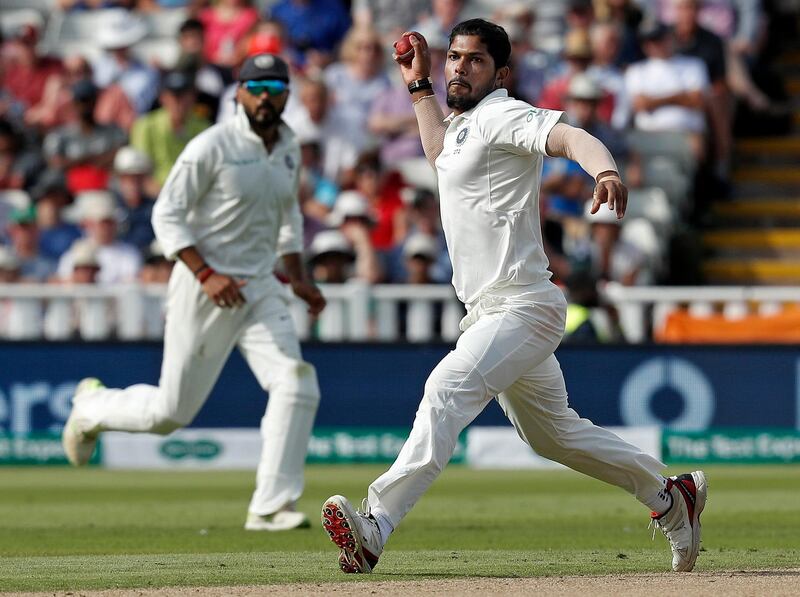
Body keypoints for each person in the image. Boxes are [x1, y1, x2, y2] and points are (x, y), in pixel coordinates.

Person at [321, 19, 707, 575]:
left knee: (446, 388)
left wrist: (604, 169)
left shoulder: (503, 114)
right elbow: (438, 156)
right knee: (555, 436)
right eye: (454, 56)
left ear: (500, 73)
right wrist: (418, 85)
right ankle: (672, 498)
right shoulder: (461, 127)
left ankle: (375, 524)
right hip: (489, 313)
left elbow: (570, 135)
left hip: (523, 306)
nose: (458, 66)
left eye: (474, 60)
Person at [62, 54, 326, 532]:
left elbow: (288, 217)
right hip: (206, 289)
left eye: (275, 85)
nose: (265, 94)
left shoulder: (288, 146)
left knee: (297, 383)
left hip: (261, 286)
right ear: (238, 93)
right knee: (170, 413)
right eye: (255, 85)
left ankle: (270, 507)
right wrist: (206, 274)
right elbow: (167, 215)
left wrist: (298, 276)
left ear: (287, 93)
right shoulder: (213, 145)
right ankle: (91, 408)